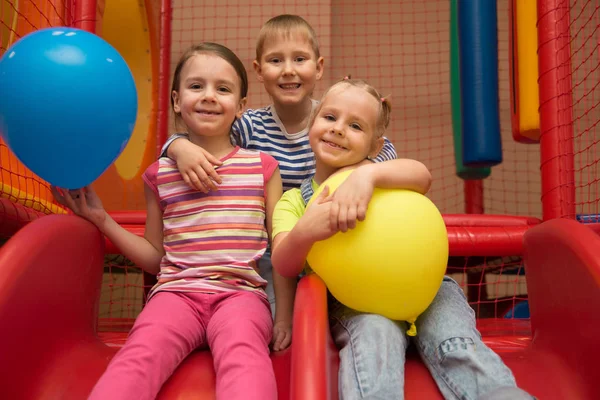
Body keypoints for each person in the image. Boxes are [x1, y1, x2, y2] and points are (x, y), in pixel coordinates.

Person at [270, 78, 533, 400]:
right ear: (312, 124)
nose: (338, 129)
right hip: (356, 303)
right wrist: (305, 230)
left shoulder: (386, 175)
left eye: (355, 125)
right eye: (329, 118)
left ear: (375, 147)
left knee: (457, 344)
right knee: (373, 343)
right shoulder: (295, 200)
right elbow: (283, 262)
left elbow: (422, 175)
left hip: (429, 289)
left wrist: (368, 175)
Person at [52, 42, 281, 400]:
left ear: (240, 107)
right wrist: (101, 219)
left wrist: (284, 314)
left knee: (245, 357)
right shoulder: (159, 174)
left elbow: (280, 250)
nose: (208, 96)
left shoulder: (262, 169)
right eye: (196, 86)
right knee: (140, 354)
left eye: (222, 89)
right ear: (176, 100)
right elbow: (156, 257)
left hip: (241, 295)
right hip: (176, 295)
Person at [159, 15, 397, 342]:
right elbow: (205, 135)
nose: (288, 69)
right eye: (275, 60)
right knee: (272, 323)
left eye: (299, 59)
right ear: (258, 71)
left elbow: (385, 153)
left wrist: (365, 173)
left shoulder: (334, 120)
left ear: (318, 67)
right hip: (272, 251)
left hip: (334, 241)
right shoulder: (249, 126)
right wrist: (177, 146)